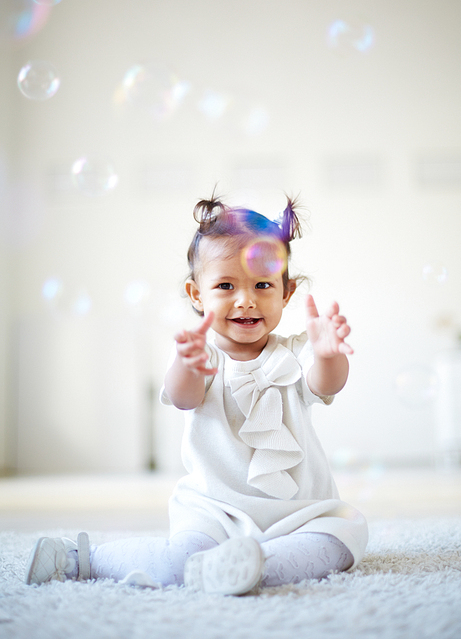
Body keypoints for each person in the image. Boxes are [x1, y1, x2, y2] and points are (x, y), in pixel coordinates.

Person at [24, 194, 368, 595]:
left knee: (343, 536)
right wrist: (188, 366)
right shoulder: (198, 353)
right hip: (214, 510)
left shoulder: (293, 351)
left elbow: (325, 384)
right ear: (196, 293)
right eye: (225, 285)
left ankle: (250, 566)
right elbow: (183, 396)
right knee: (178, 560)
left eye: (263, 284)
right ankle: (81, 559)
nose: (246, 299)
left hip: (299, 511)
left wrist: (328, 355)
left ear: (286, 292)